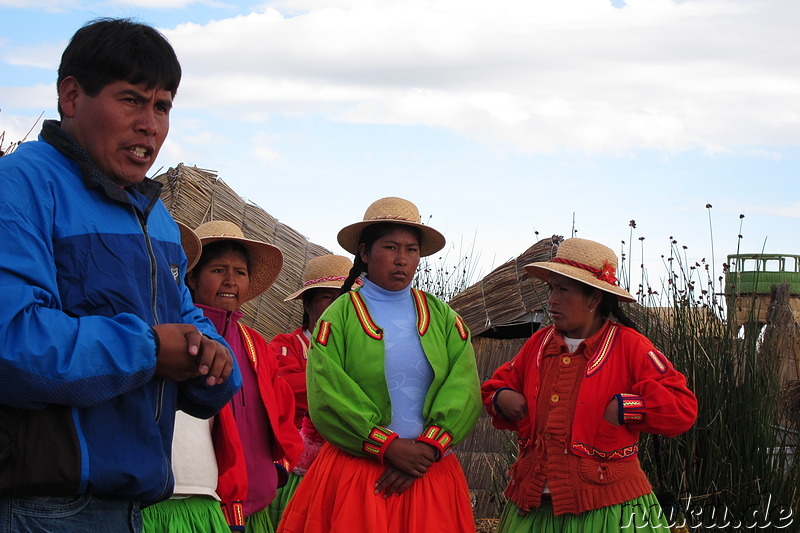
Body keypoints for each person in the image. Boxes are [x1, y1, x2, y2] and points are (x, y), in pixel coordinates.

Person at [0, 18, 241, 532]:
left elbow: (187, 317)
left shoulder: (153, 215)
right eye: (131, 99)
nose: (150, 124)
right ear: (71, 96)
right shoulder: (19, 188)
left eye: (162, 106)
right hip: (40, 508)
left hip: (132, 509)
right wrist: (151, 349)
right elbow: (11, 342)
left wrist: (212, 359)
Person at [278, 196, 481, 533]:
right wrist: (386, 446)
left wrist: (427, 448)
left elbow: (463, 387)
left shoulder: (444, 317)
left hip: (428, 472)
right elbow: (328, 393)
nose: (402, 259)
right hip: (358, 475)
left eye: (411, 250)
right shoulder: (339, 318)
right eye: (390, 247)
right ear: (364, 252)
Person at [481, 238, 698, 532]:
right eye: (551, 288)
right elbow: (494, 386)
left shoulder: (629, 346)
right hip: (532, 507)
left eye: (563, 290)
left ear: (593, 300)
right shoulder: (539, 344)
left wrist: (625, 408)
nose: (552, 300)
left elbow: (681, 407)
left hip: (607, 510)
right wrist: (503, 397)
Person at [177, 220, 302, 533]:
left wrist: (278, 469)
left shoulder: (255, 344)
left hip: (256, 504)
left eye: (240, 272)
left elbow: (282, 412)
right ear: (192, 277)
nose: (230, 281)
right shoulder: (181, 338)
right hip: (198, 506)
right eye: (218, 270)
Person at [266, 254, 357, 527]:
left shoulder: (364, 349)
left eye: (345, 297)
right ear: (308, 304)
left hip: (349, 461)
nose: (338, 306)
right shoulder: (286, 345)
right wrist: (342, 385)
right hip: (293, 464)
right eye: (328, 298)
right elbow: (286, 390)